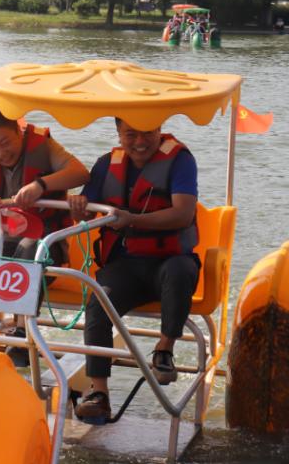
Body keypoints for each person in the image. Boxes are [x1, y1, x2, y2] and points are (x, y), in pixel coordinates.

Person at [67, 118, 200, 423]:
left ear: (159, 129)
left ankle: (164, 350)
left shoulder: (180, 160)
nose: (140, 141)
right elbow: (88, 210)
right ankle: (98, 393)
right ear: (119, 134)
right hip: (125, 265)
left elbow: (183, 214)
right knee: (99, 299)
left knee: (180, 271)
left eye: (147, 133)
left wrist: (131, 219)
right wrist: (77, 207)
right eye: (131, 134)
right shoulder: (105, 164)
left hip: (171, 261)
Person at [0, 104, 89, 379]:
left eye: (6, 142)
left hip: (44, 243)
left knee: (29, 251)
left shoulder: (44, 148)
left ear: (18, 132)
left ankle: (21, 333)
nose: (0, 152)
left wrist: (41, 185)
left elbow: (80, 172)